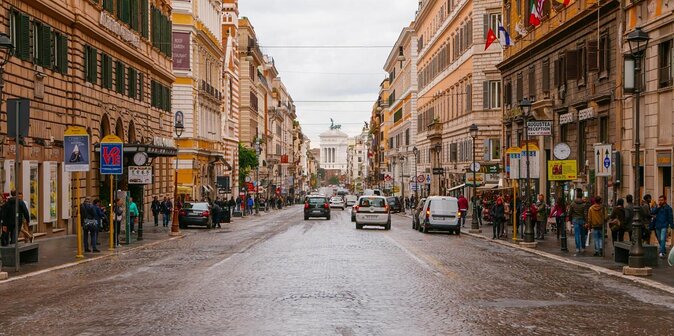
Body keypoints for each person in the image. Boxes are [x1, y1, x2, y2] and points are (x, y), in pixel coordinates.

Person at [569, 190, 589, 256]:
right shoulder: (584, 204)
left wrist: (570, 219)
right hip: (582, 220)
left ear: (576, 196)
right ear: (581, 196)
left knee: (577, 235)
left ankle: (577, 248)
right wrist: (586, 221)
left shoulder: (573, 203)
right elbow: (585, 214)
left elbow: (570, 213)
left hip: (575, 220)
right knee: (583, 234)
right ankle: (583, 247)